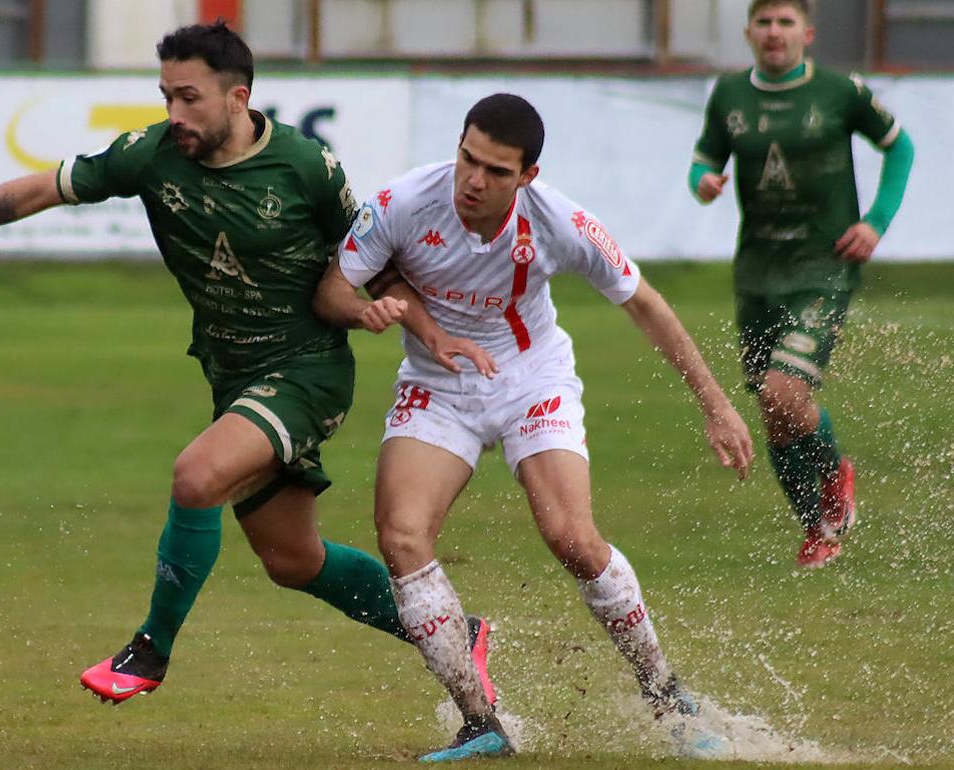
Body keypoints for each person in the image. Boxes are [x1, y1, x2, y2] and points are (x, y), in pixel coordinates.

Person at [0, 22, 498, 707]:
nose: (175, 114)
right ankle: (458, 632)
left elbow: (379, 262)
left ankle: (150, 650)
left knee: (196, 475)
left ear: (237, 98)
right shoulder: (152, 156)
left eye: (189, 98)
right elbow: (40, 189)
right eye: (166, 97)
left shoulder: (307, 167)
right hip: (233, 379)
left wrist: (424, 329)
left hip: (307, 371)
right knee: (293, 561)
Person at [314, 93, 754, 762]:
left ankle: (665, 692)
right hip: (439, 385)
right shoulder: (404, 201)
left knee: (571, 537)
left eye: (495, 170)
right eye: (467, 158)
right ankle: (480, 722)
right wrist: (380, 313)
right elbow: (332, 289)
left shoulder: (561, 222)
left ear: (528, 177)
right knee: (402, 538)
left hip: (531, 381)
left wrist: (717, 406)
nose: (472, 180)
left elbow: (647, 305)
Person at [690, 0, 914, 569]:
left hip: (824, 266)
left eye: (785, 22)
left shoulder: (841, 92)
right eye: (764, 22)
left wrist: (876, 222)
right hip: (758, 273)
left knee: (780, 392)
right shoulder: (730, 95)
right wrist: (705, 182)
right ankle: (818, 527)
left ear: (807, 34)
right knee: (776, 412)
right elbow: (702, 162)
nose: (774, 33)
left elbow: (900, 147)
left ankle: (837, 478)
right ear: (748, 33)